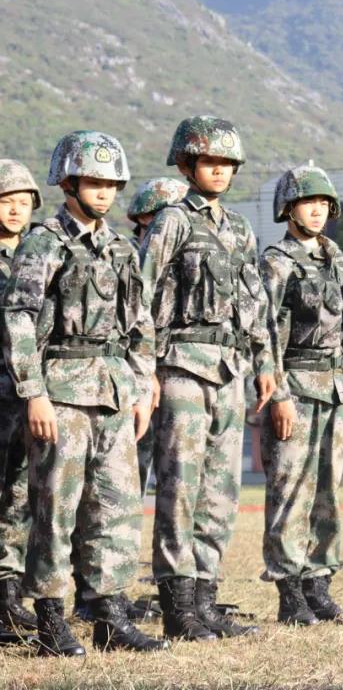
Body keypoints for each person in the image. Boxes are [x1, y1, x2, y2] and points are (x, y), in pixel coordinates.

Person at [0, 132, 167, 655]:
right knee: (55, 508)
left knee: (115, 508)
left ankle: (110, 615)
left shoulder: (120, 248)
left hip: (113, 392)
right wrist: (34, 393)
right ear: (68, 182)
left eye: (111, 183)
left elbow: (140, 325)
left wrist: (141, 389)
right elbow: (19, 319)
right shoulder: (43, 242)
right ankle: (50, 618)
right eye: (94, 182)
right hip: (62, 391)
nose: (104, 193)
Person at [140, 116, 275, 641]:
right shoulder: (172, 221)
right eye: (209, 162)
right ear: (187, 164)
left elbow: (255, 303)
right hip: (179, 366)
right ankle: (177, 606)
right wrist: (144, 368)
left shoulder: (239, 227)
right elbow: (141, 295)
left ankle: (206, 599)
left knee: (220, 489)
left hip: (229, 367)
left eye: (226, 163)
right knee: (180, 486)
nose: (218, 171)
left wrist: (265, 363)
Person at [259, 163, 343, 625]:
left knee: (328, 492)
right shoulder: (275, 262)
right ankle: (289, 592)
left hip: (338, 391)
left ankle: (318, 585)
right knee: (289, 490)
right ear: (288, 208)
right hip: (296, 390)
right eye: (308, 202)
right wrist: (277, 395)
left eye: (324, 204)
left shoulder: (340, 261)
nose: (318, 211)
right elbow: (262, 334)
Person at [125, 177, 188, 497]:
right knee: (128, 477)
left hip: (178, 376)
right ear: (145, 219)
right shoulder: (128, 259)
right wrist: (145, 374)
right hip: (135, 378)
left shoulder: (184, 265)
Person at [0, 160, 41, 638]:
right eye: (6, 200)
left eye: (23, 202)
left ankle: (7, 598)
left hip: (26, 393)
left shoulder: (39, 253)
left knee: (19, 497)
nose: (15, 210)